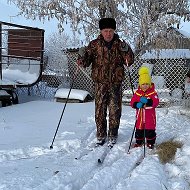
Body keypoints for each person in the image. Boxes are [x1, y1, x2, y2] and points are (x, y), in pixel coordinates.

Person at [77, 18, 134, 147]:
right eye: (105, 31)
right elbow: (85, 63)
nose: (108, 34)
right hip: (100, 84)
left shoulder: (120, 44)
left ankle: (113, 135)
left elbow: (129, 61)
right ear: (101, 31)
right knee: (100, 111)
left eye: (110, 31)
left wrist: (127, 50)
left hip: (115, 84)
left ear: (114, 31)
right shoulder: (94, 45)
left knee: (115, 111)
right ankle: (101, 135)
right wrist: (81, 56)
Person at [130, 66, 159, 149]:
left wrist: (148, 102)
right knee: (139, 130)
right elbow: (132, 102)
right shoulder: (137, 93)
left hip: (149, 117)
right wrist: (136, 104)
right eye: (143, 84)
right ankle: (139, 141)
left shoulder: (152, 93)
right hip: (139, 117)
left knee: (149, 130)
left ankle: (150, 142)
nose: (145, 86)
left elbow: (156, 102)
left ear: (149, 84)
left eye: (147, 84)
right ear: (140, 84)